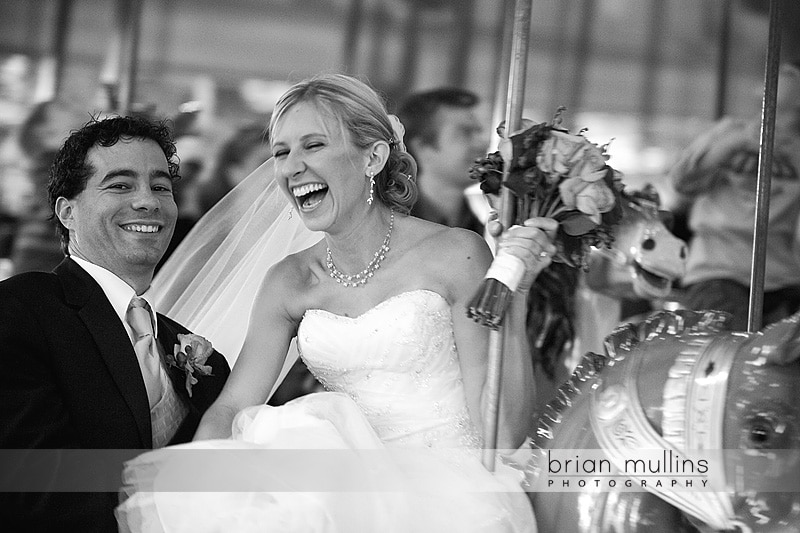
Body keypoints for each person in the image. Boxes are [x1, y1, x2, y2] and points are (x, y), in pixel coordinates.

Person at [116, 74, 558, 532]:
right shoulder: (288, 280)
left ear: (373, 156)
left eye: (313, 145)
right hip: (338, 500)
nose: (292, 167)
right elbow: (232, 407)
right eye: (282, 152)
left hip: (451, 497)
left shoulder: (457, 254)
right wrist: (204, 487)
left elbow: (502, 436)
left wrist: (517, 298)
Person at [0, 115, 231, 533]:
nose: (148, 201)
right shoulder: (20, 311)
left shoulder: (194, 351)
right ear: (67, 212)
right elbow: (25, 477)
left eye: (161, 186)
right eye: (120, 185)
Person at [668, 60, 800, 331]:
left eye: (790, 75)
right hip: (719, 267)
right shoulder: (728, 131)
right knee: (730, 345)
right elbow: (682, 181)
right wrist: (736, 144)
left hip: (782, 274)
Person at [396, 87, 488, 233]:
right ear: (422, 148)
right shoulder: (391, 226)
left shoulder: (482, 231)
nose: (482, 143)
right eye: (466, 132)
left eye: (479, 132)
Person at [10, 99, 83, 274]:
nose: (73, 111)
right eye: (63, 108)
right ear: (45, 132)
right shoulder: (51, 163)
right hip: (43, 261)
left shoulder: (51, 163)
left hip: (40, 261)